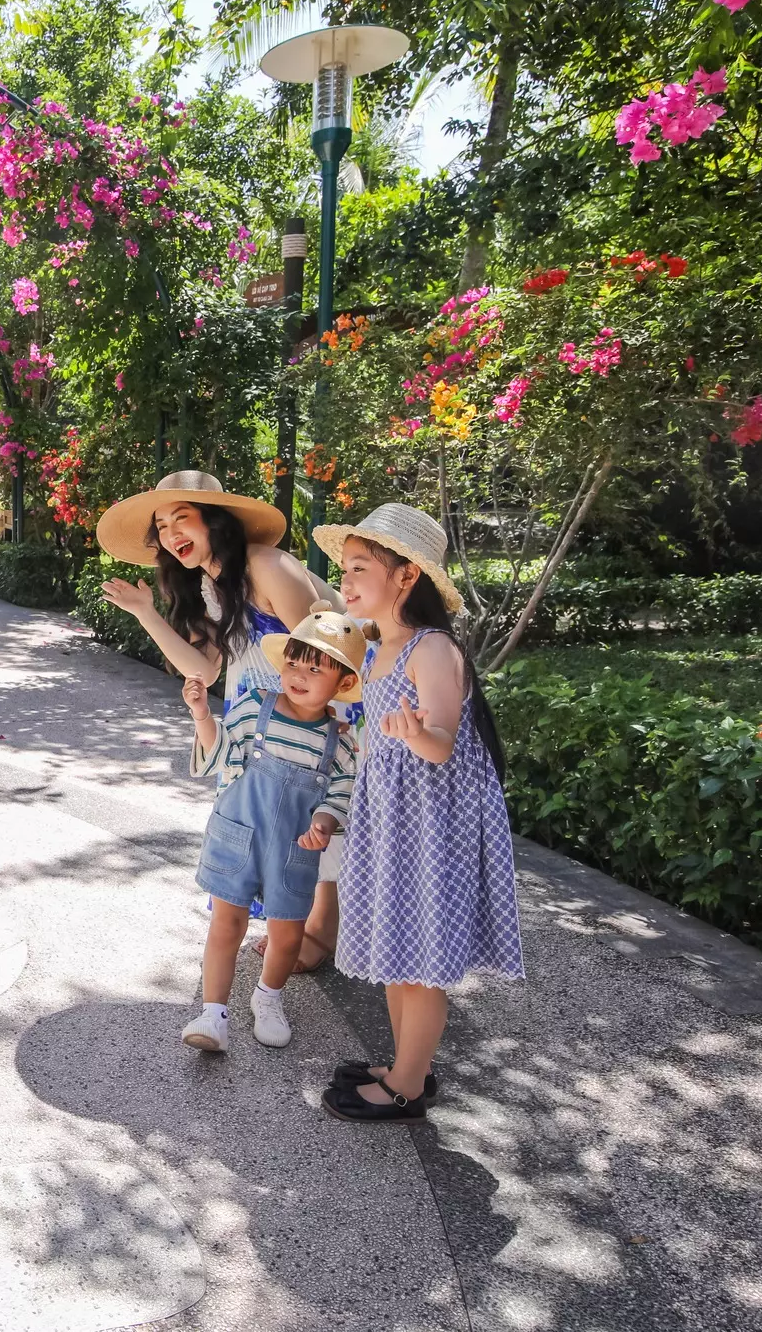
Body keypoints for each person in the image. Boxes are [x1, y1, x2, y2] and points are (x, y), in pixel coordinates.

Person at [312, 503, 524, 1124]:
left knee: (420, 963)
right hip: (393, 820)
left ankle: (407, 1086)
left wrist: (414, 734)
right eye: (345, 568)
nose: (346, 580)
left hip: (432, 826)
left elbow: (442, 743)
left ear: (407, 576)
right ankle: (406, 1064)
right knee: (398, 949)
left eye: (360, 568)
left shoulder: (432, 649)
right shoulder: (381, 648)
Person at [96, 472, 342, 952]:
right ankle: (290, 927)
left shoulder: (267, 564)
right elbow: (204, 671)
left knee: (308, 815)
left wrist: (318, 721)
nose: (171, 534)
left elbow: (324, 652)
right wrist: (145, 612)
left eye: (182, 518)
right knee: (266, 820)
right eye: (162, 527)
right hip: (255, 720)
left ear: (215, 521)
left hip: (309, 709)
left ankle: (317, 934)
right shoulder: (207, 587)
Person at [178, 603, 363, 1052]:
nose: (298, 674)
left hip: (293, 848)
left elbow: (341, 794)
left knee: (287, 934)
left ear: (343, 684)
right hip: (239, 835)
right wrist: (202, 714)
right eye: (293, 662)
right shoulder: (255, 707)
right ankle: (213, 1013)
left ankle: (268, 996)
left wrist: (323, 823)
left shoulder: (340, 741)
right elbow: (220, 755)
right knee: (227, 923)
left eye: (315, 669)